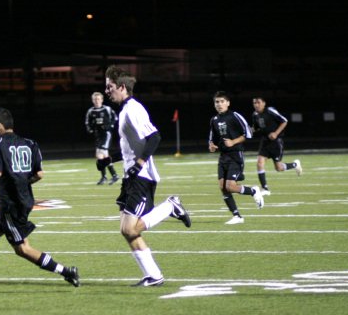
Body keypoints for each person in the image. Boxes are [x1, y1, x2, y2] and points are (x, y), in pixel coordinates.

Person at [0, 107, 79, 295]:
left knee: (22, 249)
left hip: (11, 204)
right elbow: (39, 174)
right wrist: (21, 181)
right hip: (23, 199)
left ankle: (66, 271)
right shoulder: (30, 143)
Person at [104, 65, 191, 288]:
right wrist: (108, 160)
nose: (107, 91)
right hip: (131, 176)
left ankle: (170, 207)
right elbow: (131, 148)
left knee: (131, 228)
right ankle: (153, 275)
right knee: (126, 230)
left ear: (122, 87)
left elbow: (154, 137)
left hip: (141, 176)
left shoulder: (133, 109)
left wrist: (140, 164)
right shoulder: (124, 111)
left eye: (110, 87)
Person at [208, 92, 262, 224]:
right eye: (217, 102)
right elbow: (212, 138)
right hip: (223, 156)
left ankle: (253, 191)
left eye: (222, 101)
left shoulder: (234, 116)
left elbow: (248, 133)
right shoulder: (214, 120)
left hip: (236, 154)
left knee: (230, 186)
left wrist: (233, 142)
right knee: (222, 187)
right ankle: (237, 216)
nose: (219, 104)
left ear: (228, 103)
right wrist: (211, 145)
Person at [251, 96, 302, 195]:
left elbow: (284, 120)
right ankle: (265, 189)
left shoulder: (270, 111)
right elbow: (256, 127)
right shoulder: (255, 114)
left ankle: (295, 164)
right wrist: (249, 130)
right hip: (265, 141)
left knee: (278, 168)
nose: (256, 105)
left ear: (264, 103)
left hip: (276, 142)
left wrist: (275, 133)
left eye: (258, 102)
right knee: (259, 163)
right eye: (254, 103)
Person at [85, 91, 120, 185]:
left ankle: (104, 177)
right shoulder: (91, 111)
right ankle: (114, 175)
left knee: (100, 155)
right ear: (93, 100)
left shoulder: (107, 109)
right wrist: (90, 129)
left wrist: (110, 126)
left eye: (98, 99)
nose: (97, 101)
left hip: (106, 134)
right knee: (104, 156)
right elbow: (87, 122)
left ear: (102, 100)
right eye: (95, 99)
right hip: (98, 136)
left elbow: (115, 118)